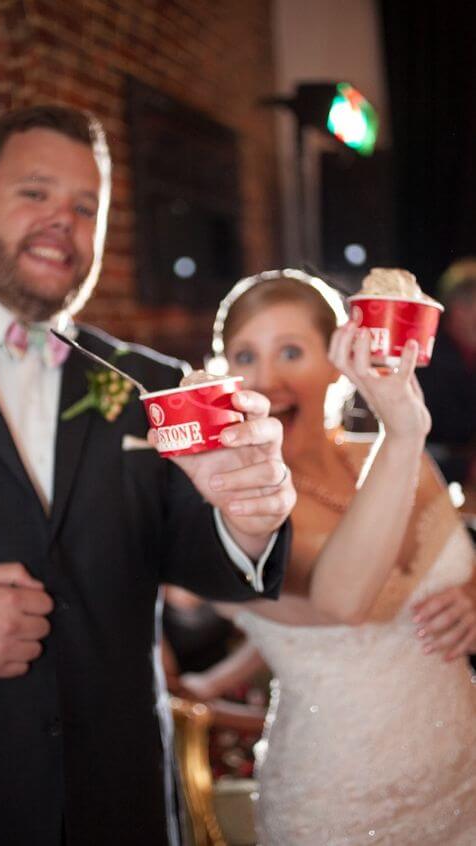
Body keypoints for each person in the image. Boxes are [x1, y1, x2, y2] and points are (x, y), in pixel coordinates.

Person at [0, 107, 296, 846]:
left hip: (118, 800)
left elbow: (205, 556)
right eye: (35, 193)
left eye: (86, 207)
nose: (63, 221)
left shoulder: (153, 384)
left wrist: (249, 517)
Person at [181, 268, 476, 845]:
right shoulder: (240, 505)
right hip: (344, 800)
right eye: (245, 356)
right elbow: (342, 604)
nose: (267, 378)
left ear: (341, 358)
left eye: (291, 351)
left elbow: (459, 558)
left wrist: (470, 595)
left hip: (464, 774)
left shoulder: (393, 457)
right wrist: (403, 430)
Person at [417, 257, 476, 488]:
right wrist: (467, 468)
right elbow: (422, 448)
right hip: (436, 490)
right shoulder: (426, 360)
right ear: (460, 310)